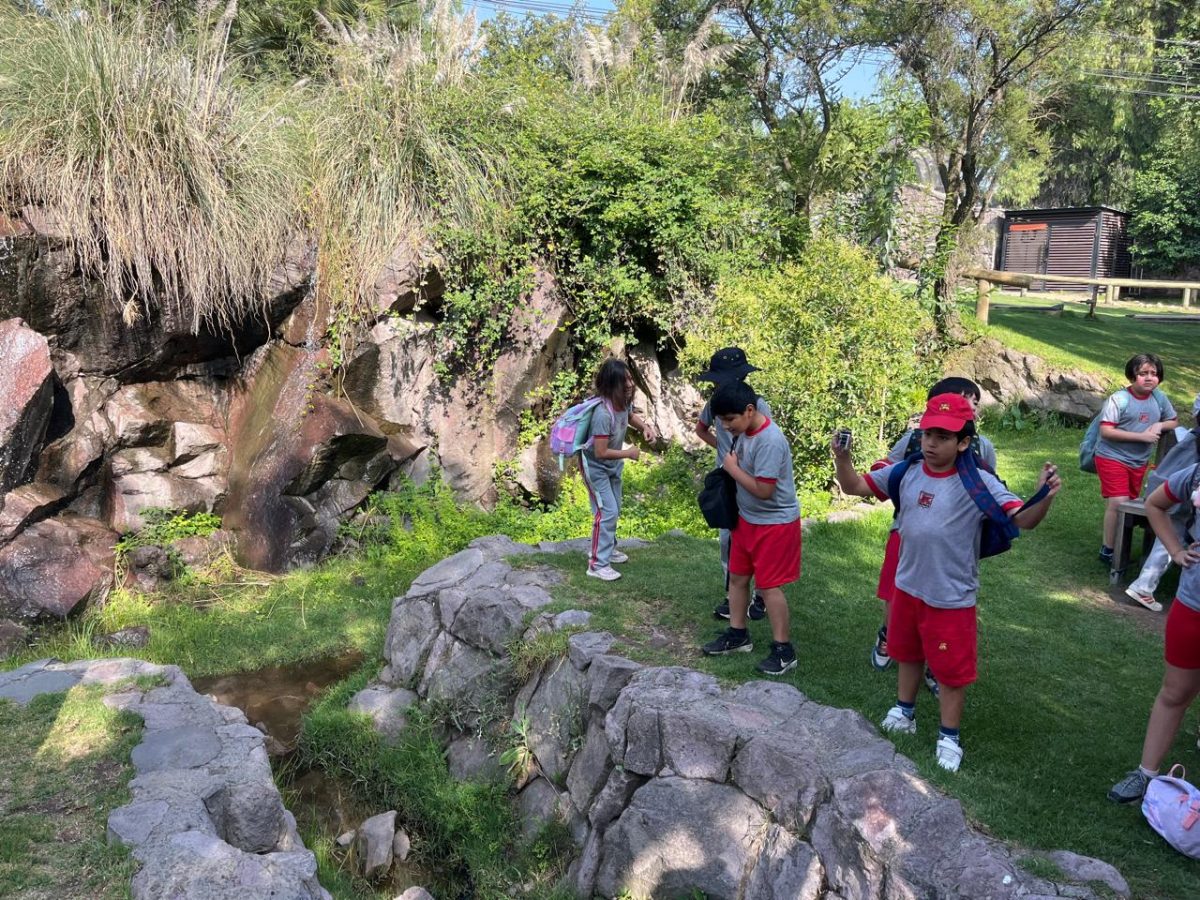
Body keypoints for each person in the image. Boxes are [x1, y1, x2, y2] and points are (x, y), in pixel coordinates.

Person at [833, 393, 1061, 772]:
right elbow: (855, 486)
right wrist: (842, 460)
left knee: (951, 672)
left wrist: (1045, 496)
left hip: (951, 596)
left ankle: (949, 736)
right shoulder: (907, 471)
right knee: (906, 652)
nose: (932, 444)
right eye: (927, 435)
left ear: (964, 442)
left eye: (943, 436)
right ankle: (904, 712)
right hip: (907, 586)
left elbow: (1022, 520)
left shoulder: (978, 481)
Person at [868, 378, 999, 701]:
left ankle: (934, 663)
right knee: (896, 591)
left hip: (951, 543)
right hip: (907, 529)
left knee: (940, 604)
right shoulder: (915, 441)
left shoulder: (983, 448)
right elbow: (889, 466)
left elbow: (990, 490)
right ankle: (890, 636)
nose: (967, 409)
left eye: (972, 404)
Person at [1108, 460, 1200, 802]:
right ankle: (1146, 775)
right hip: (1193, 604)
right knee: (1175, 692)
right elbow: (1155, 503)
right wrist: (1176, 550)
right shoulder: (1195, 473)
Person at [700, 381, 802, 676]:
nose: (726, 427)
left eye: (730, 420)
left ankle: (784, 651)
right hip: (746, 520)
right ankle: (737, 634)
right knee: (737, 579)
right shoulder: (744, 432)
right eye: (721, 422)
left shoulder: (770, 440)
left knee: (769, 587)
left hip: (775, 523)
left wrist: (732, 469)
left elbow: (764, 490)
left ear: (749, 410)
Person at [695, 347, 772, 622]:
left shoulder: (757, 405)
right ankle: (732, 596)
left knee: (758, 538)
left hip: (751, 478)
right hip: (727, 479)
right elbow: (700, 429)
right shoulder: (714, 403)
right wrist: (723, 454)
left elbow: (767, 440)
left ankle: (761, 596)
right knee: (728, 538)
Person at [579, 358, 657, 582]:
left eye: (630, 378)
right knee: (607, 511)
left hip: (612, 466)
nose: (630, 384)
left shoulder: (621, 402)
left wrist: (645, 427)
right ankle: (596, 564)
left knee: (614, 508)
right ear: (611, 384)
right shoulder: (603, 414)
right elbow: (600, 452)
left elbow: (630, 416)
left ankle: (608, 549)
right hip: (596, 467)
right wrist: (628, 453)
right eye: (624, 381)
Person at [1096, 353, 1177, 568]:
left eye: (1154, 373)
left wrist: (1160, 425)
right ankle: (1109, 550)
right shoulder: (1120, 399)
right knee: (1118, 503)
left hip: (1138, 461)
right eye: (1143, 374)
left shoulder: (1159, 398)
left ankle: (1122, 547)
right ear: (1133, 376)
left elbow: (1173, 421)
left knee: (1129, 504)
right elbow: (1106, 431)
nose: (1149, 378)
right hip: (1111, 457)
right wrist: (1141, 437)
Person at [1124, 394, 1200, 612]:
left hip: (1172, 495)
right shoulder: (1194, 441)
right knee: (1173, 535)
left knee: (1172, 535)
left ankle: (1143, 585)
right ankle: (1143, 586)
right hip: (1174, 498)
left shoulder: (1191, 437)